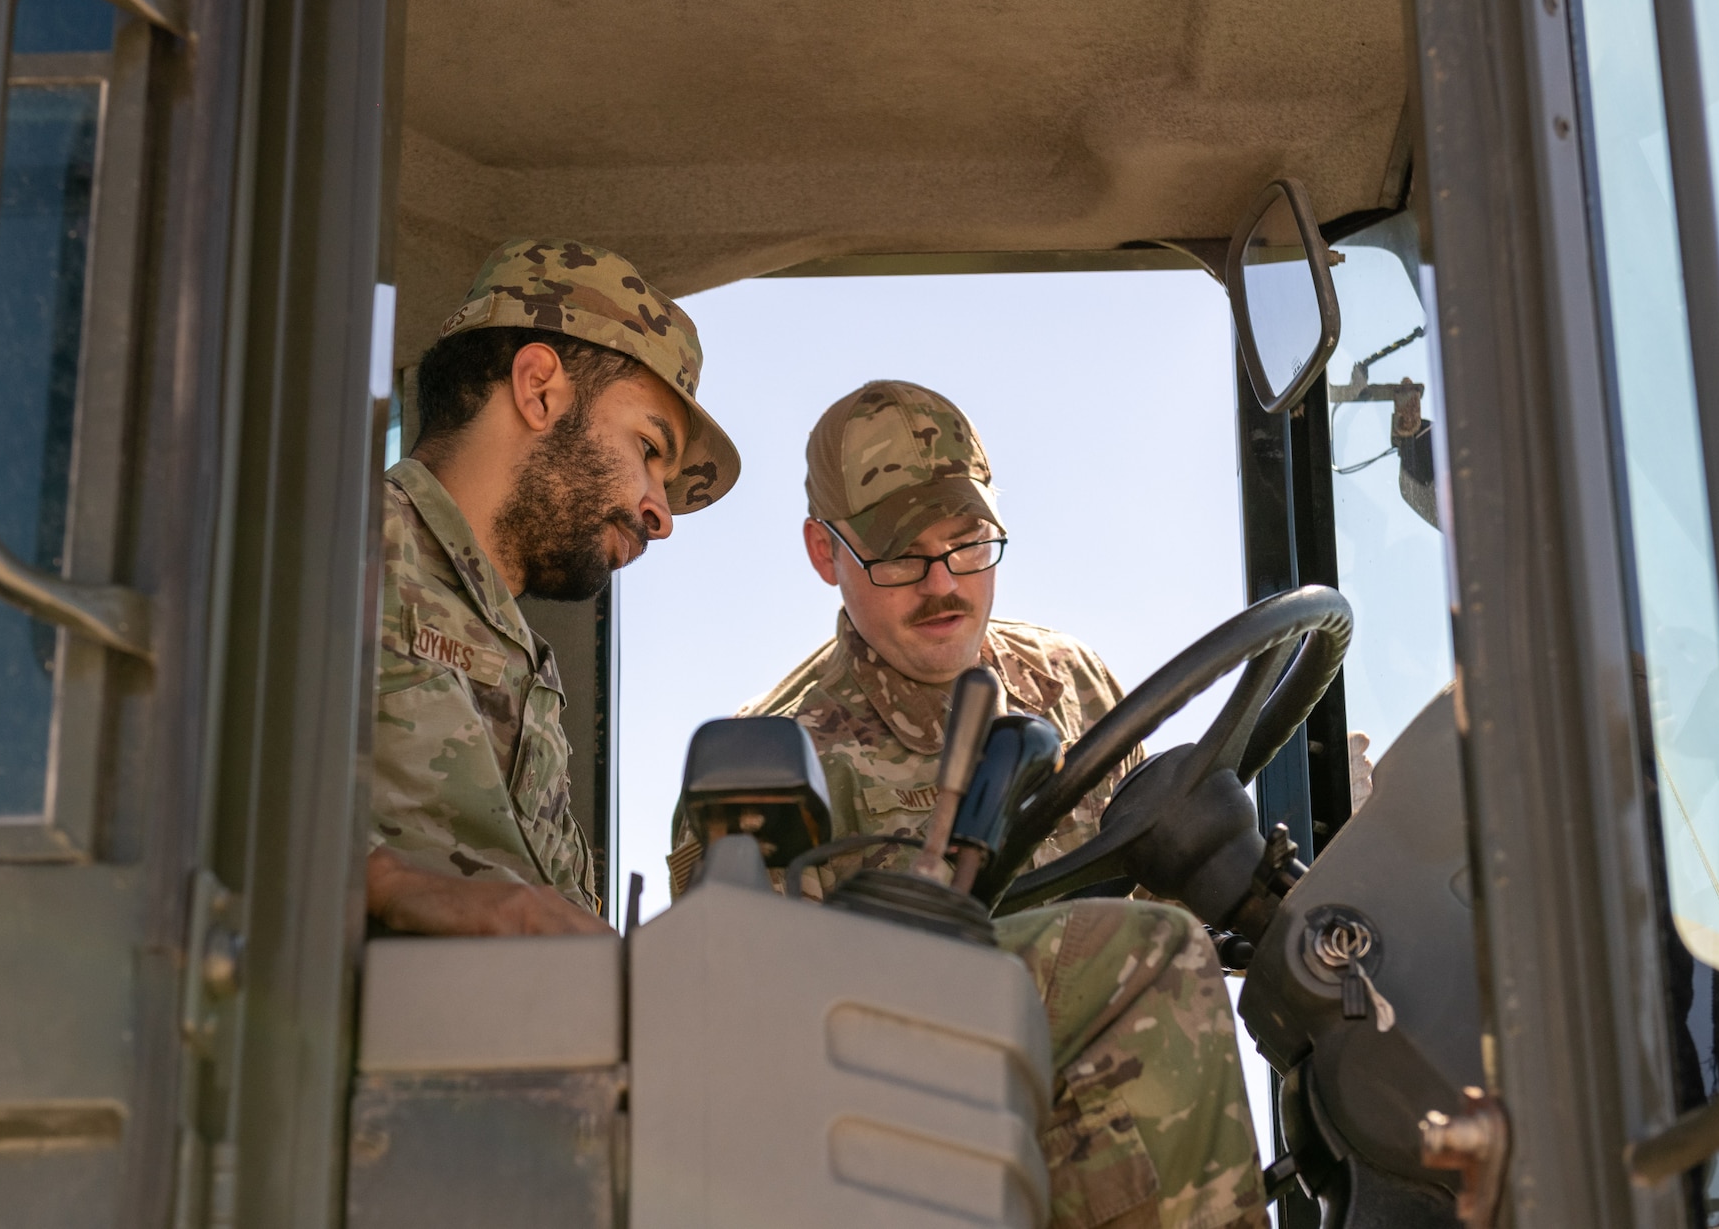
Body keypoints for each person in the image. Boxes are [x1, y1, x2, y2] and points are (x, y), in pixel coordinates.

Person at [673, 380, 1266, 1229]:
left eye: (969, 542)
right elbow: (747, 1050)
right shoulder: (768, 758)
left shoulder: (1074, 683)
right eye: (901, 555)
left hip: (1124, 1134)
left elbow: (1162, 877)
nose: (944, 582)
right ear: (822, 551)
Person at [366, 238, 739, 938]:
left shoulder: (526, 666)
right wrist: (386, 885)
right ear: (539, 388)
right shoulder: (329, 550)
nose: (660, 514)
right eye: (650, 450)